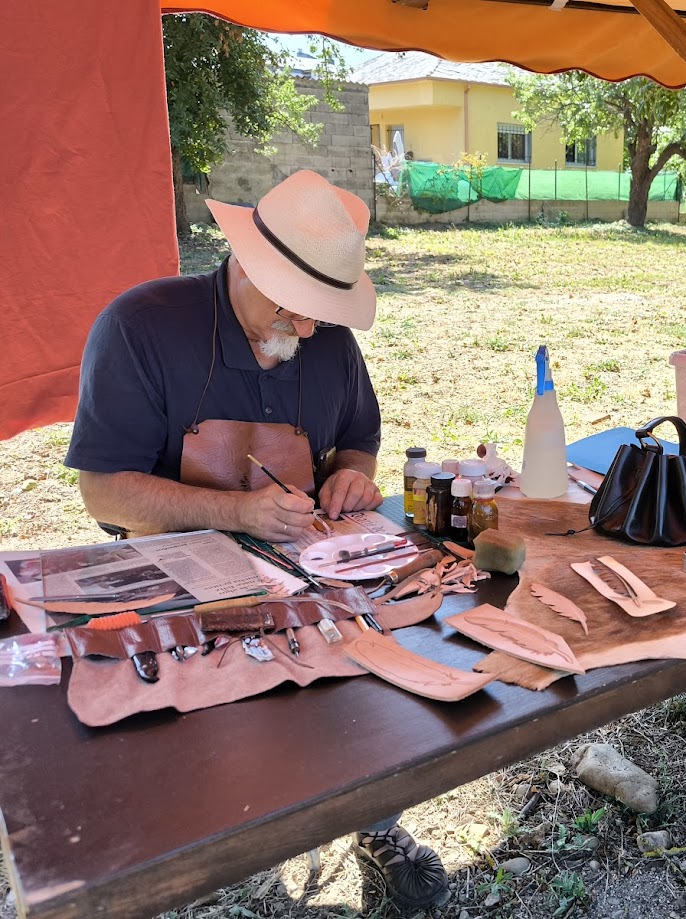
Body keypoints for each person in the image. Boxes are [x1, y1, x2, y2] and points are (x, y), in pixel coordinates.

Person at [64, 169, 450, 910]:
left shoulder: (328, 339)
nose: (307, 331)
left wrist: (352, 479)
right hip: (162, 570)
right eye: (296, 309)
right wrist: (239, 513)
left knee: (365, 693)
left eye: (320, 314)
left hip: (311, 565)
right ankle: (169, 866)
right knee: (188, 754)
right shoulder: (142, 325)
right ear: (245, 264)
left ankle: (372, 821)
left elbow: (359, 438)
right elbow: (104, 490)